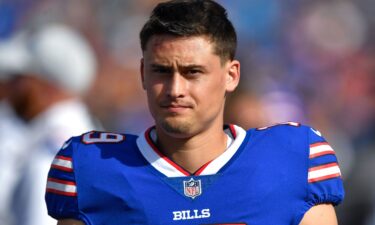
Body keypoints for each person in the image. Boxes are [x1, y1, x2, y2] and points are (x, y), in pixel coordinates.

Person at [45, 0, 344, 224]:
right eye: (161, 71)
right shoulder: (92, 169)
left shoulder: (293, 160)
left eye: (193, 72)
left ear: (231, 76)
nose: (175, 89)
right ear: (143, 74)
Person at [0, 24, 99, 225]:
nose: (11, 87)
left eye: (20, 78)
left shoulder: (52, 153)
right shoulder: (83, 134)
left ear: (45, 85)